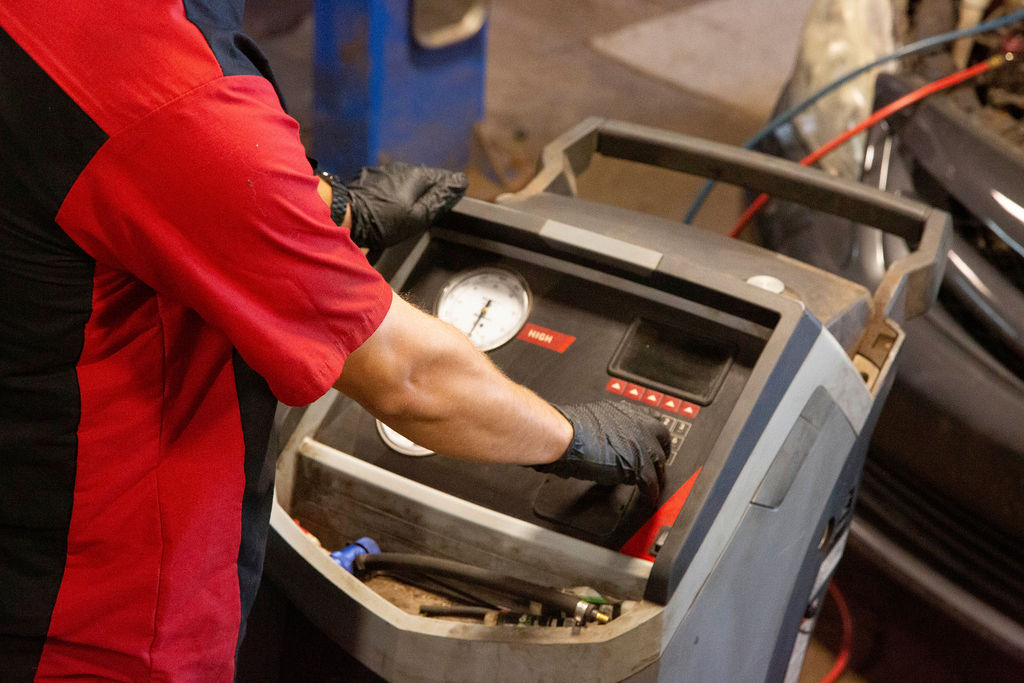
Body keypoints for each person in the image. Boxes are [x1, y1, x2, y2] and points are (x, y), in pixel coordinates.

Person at [0, 1, 670, 679]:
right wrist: (574, 436)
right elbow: (408, 377)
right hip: (92, 626)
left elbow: (143, 176)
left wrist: (323, 206)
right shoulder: (162, 80)